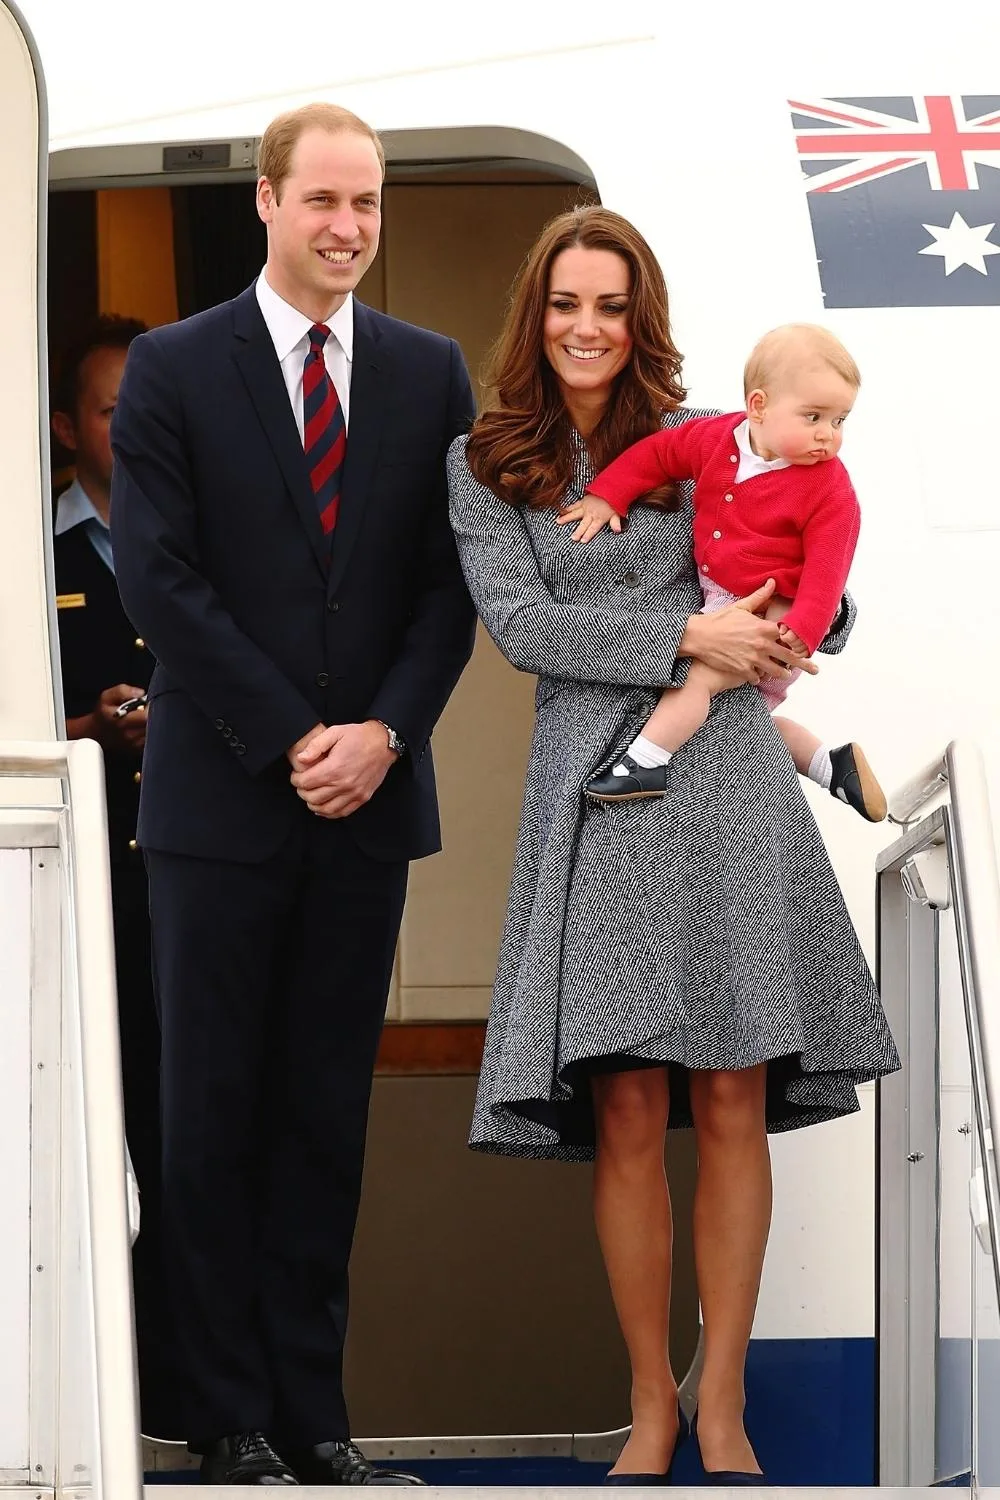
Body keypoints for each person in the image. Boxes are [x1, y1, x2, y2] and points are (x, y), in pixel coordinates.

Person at [447, 206, 898, 1484]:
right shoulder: (481, 464)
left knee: (734, 1092)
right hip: (595, 789)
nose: (586, 328)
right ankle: (649, 1404)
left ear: (638, 320)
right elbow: (524, 627)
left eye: (610, 305)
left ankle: (723, 1405)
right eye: (564, 303)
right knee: (629, 1102)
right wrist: (690, 640)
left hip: (730, 778)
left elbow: (816, 559)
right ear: (533, 314)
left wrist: (813, 610)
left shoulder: (713, 433)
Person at [110, 102, 476, 1486]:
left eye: (368, 204)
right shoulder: (174, 366)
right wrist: (291, 738)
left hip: (367, 805)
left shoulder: (428, 371)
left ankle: (316, 1420)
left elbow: (450, 591)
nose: (348, 228)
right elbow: (161, 581)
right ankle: (221, 1415)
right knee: (211, 1110)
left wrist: (379, 733)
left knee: (326, 1110)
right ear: (266, 202)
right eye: (323, 201)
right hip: (218, 807)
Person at [557, 323, 886, 821]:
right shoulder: (717, 438)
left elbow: (828, 569)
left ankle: (644, 763)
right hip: (722, 597)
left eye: (840, 419)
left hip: (773, 615)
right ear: (759, 406)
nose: (828, 435)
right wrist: (608, 493)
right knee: (752, 718)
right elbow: (659, 455)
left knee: (694, 682)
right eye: (814, 416)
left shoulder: (829, 489)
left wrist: (802, 631)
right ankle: (830, 765)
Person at [50, 313, 182, 1440]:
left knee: (188, 1143)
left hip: (183, 894)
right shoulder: (23, 560)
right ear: (62, 428)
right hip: (59, 911)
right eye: (107, 408)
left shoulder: (204, 537)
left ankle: (189, 1402)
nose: (130, 427)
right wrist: (85, 727)